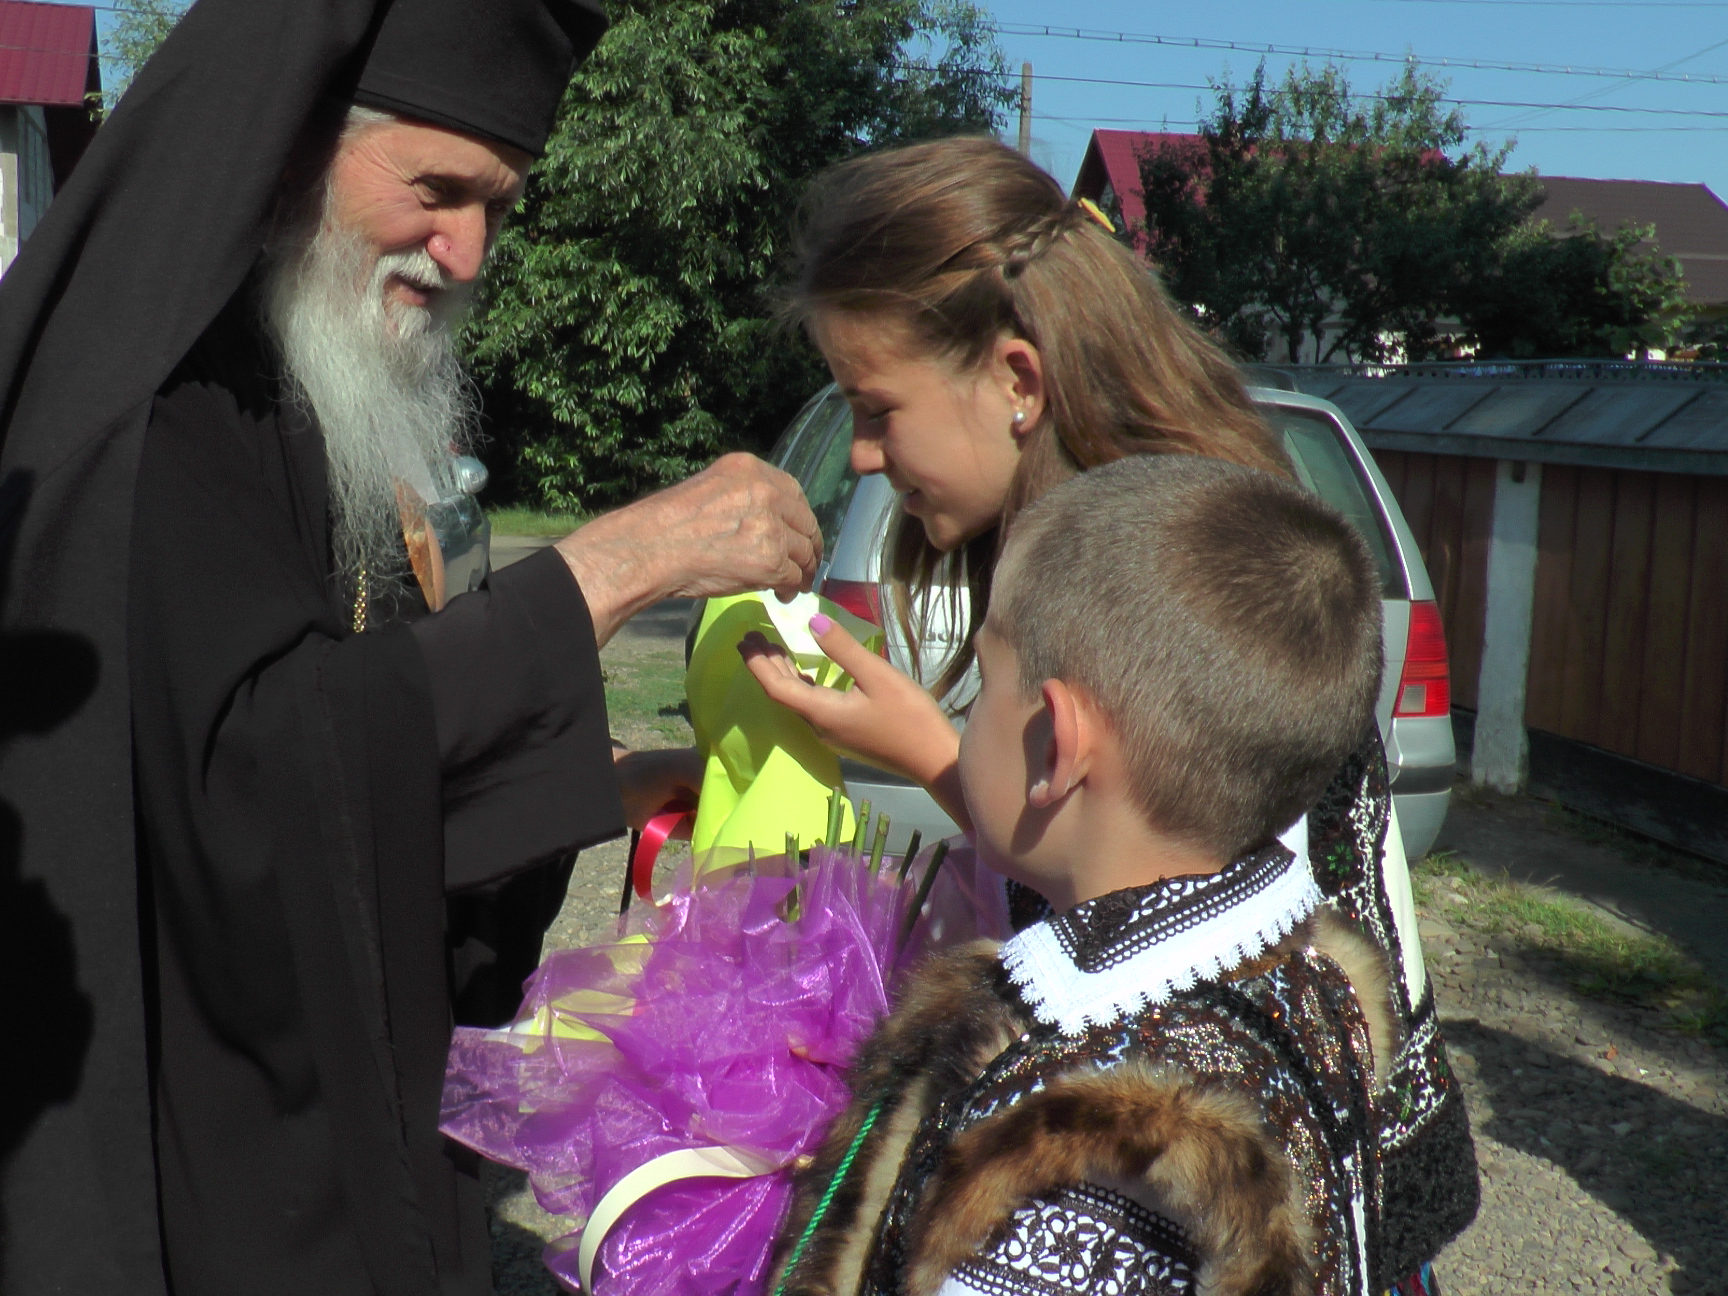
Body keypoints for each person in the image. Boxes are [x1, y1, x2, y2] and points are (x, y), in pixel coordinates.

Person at [0, 1, 818, 1293]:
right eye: (438, 190)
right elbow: (252, 790)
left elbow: (343, 763)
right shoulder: (163, 413)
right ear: (290, 148)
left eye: (500, 204)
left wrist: (599, 793)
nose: (471, 249)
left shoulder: (284, 382)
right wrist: (614, 568)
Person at [738, 137, 1475, 1290]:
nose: (868, 458)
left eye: (874, 407)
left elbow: (1169, 903)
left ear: (1018, 384)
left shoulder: (1164, 584)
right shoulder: (1128, 536)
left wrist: (930, 750)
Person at [770, 455, 1400, 1296]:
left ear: (1058, 747)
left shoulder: (1083, 1151)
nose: (964, 722)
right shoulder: (1312, 983)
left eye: (983, 687)